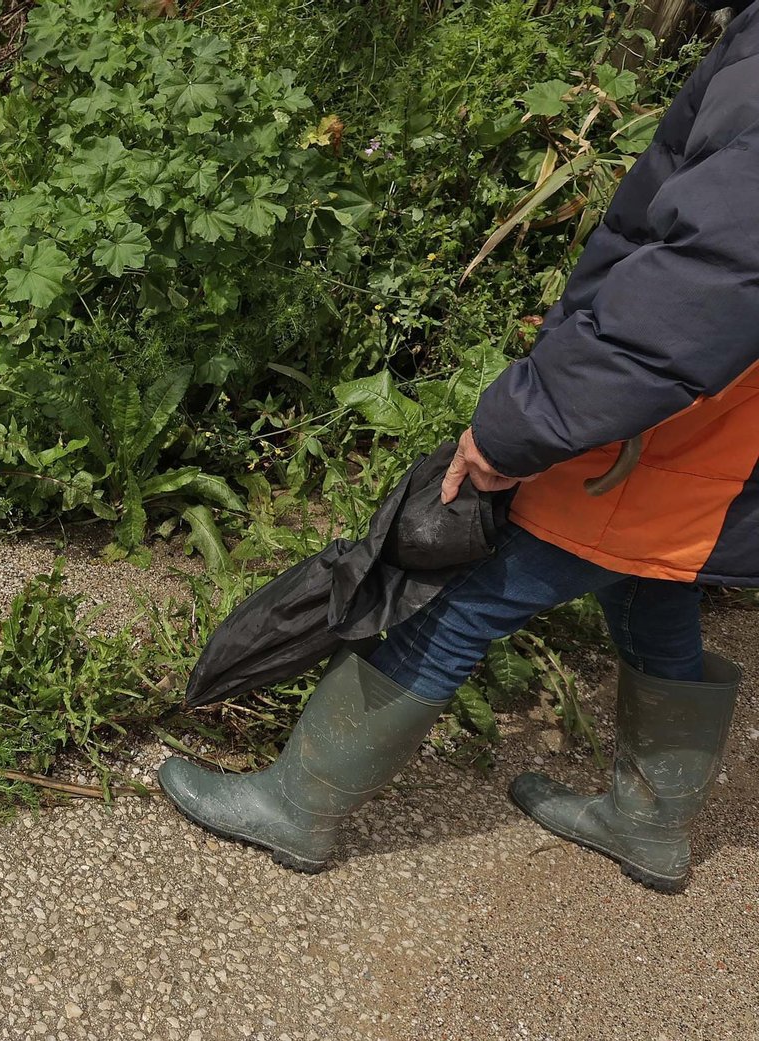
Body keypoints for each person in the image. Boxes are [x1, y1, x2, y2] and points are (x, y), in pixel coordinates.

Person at [159, 0, 758, 893]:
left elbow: (697, 290)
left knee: (471, 591)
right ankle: (651, 822)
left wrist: (524, 422)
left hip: (679, 421)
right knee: (650, 570)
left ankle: (299, 805)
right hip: (729, 430)